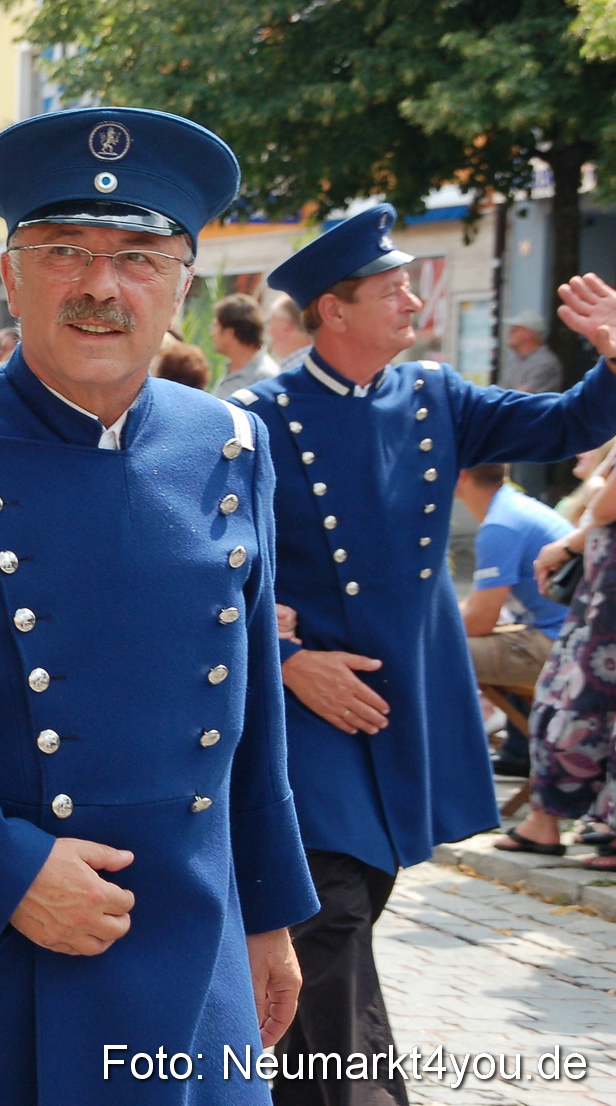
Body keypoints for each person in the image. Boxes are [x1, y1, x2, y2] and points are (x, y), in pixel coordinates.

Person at [0, 107, 317, 1105]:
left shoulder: (230, 447)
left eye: (136, 254)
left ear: (184, 279)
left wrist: (269, 915)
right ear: (10, 274)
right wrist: (6, 872)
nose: (98, 283)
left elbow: (250, 724)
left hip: (186, 962)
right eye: (63, 251)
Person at [234, 204, 616, 1106]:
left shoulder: (435, 396)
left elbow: (564, 425)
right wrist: (287, 661)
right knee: (326, 918)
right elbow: (213, 565)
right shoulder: (257, 416)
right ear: (335, 309)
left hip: (402, 708)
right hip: (303, 714)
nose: (413, 297)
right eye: (392, 286)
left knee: (352, 910)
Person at [502, 459, 616, 866]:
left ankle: (550, 820)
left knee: (574, 706)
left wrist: (571, 541)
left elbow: (601, 504)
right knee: (571, 704)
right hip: (599, 599)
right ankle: (552, 819)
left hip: (605, 608)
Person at [453, 464, 573, 778]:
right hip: (562, 635)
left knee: (432, 654)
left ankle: (449, 765)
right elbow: (480, 604)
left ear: (461, 473)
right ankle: (518, 750)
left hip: (562, 648)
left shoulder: (500, 526)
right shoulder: (512, 506)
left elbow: (479, 620)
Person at [211, 293, 279, 398]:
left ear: (230, 333)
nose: (212, 333)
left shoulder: (265, 378)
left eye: (215, 326)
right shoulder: (233, 371)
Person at [503, 310, 564, 394]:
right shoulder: (514, 361)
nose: (510, 333)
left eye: (515, 330)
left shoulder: (545, 362)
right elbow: (501, 392)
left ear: (529, 333)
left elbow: (520, 397)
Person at [267, 293, 311, 371]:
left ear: (284, 327)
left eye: (271, 322)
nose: (269, 330)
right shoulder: (314, 363)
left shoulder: (298, 369)